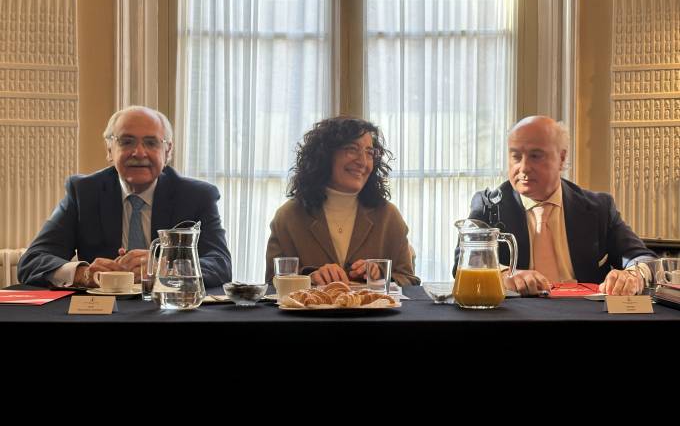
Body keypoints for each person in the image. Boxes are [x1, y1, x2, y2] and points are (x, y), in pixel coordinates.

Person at [18, 105, 232, 289]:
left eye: (151, 143)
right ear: (109, 149)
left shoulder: (196, 196)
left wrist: (164, 267)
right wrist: (84, 274)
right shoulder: (84, 192)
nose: (139, 153)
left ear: (167, 151)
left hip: (169, 309)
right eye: (127, 142)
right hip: (101, 312)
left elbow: (220, 264)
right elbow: (32, 261)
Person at [453, 115, 656, 296]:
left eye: (535, 156)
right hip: (518, 316)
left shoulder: (598, 208)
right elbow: (463, 261)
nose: (523, 168)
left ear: (561, 158)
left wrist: (633, 275)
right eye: (516, 156)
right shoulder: (489, 205)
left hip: (586, 315)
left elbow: (643, 258)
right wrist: (506, 274)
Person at [265, 116, 419, 287]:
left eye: (369, 152)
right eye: (352, 149)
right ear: (325, 155)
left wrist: (381, 276)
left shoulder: (388, 216)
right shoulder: (288, 217)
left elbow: (410, 281)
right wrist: (310, 279)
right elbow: (272, 284)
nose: (362, 161)